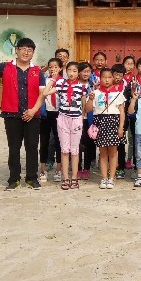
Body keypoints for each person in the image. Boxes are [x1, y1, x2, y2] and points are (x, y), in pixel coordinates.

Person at [0, 38, 46, 190]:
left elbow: (42, 95)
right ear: (17, 50)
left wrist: (33, 111)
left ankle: (31, 178)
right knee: (14, 147)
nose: (26, 52)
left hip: (32, 115)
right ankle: (14, 178)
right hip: (11, 114)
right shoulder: (5, 67)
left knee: (32, 147)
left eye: (29, 50)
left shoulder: (37, 71)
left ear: (33, 53)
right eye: (23, 49)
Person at [43, 62, 87, 190]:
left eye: (74, 70)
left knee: (75, 150)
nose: (72, 73)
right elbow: (45, 93)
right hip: (63, 119)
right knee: (64, 150)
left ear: (78, 73)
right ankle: (65, 178)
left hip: (76, 120)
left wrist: (81, 118)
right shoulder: (61, 84)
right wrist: (53, 79)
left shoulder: (81, 87)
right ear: (66, 71)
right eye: (69, 70)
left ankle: (74, 177)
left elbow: (84, 104)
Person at [85, 68, 125, 190]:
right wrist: (90, 99)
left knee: (113, 152)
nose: (107, 80)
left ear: (113, 78)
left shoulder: (118, 94)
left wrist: (121, 127)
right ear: (100, 78)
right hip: (100, 123)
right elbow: (88, 109)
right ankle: (104, 177)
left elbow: (122, 112)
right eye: (104, 77)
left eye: (109, 77)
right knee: (102, 153)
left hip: (113, 122)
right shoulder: (95, 93)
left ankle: (111, 177)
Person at [39, 58, 63, 183]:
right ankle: (43, 169)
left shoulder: (63, 81)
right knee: (44, 141)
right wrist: (51, 80)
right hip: (45, 113)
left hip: (59, 113)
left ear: (60, 68)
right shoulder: (45, 80)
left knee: (59, 141)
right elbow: (43, 93)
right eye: (50, 67)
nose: (53, 69)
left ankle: (59, 169)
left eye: (55, 67)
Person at [78, 62, 96, 180]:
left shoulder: (93, 85)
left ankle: (87, 167)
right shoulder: (75, 84)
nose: (86, 74)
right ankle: (78, 167)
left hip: (89, 118)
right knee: (78, 144)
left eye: (88, 71)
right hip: (77, 118)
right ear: (79, 72)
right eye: (83, 71)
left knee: (89, 143)